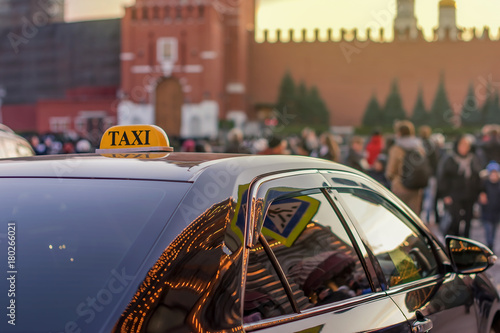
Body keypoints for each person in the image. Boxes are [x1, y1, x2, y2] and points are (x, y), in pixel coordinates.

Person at [437, 135, 482, 238]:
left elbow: (477, 176)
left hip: (470, 195)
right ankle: (455, 240)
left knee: (468, 219)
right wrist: (445, 194)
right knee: (455, 219)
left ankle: (466, 241)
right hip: (454, 195)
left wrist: (480, 191)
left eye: (466, 145)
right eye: (462, 145)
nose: (464, 147)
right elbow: (442, 177)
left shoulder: (473, 159)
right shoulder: (449, 159)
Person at [386, 120, 428, 215]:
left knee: (400, 216)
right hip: (416, 186)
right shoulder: (419, 146)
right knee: (414, 216)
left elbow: (390, 171)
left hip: (400, 186)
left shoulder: (396, 148)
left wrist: (391, 178)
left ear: (399, 133)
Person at [479, 161, 500, 250]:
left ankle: (491, 245)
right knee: (489, 230)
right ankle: (489, 245)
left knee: (494, 230)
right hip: (487, 212)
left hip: (496, 213)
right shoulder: (484, 184)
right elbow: (479, 194)